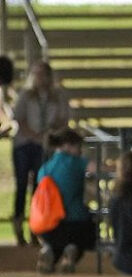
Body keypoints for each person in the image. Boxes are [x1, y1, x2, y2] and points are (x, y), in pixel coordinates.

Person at [12, 60, 70, 246]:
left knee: (39, 186)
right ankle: (19, 225)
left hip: (45, 145)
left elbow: (63, 119)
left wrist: (50, 133)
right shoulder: (26, 95)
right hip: (24, 144)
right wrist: (35, 135)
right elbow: (19, 119)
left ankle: (36, 227)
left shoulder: (57, 96)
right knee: (22, 185)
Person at [35, 128, 95, 274]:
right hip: (76, 223)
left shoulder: (44, 168)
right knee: (88, 232)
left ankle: (49, 250)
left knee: (56, 242)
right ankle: (73, 250)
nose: (80, 151)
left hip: (48, 226)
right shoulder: (76, 162)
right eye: (78, 147)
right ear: (68, 145)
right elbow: (96, 168)